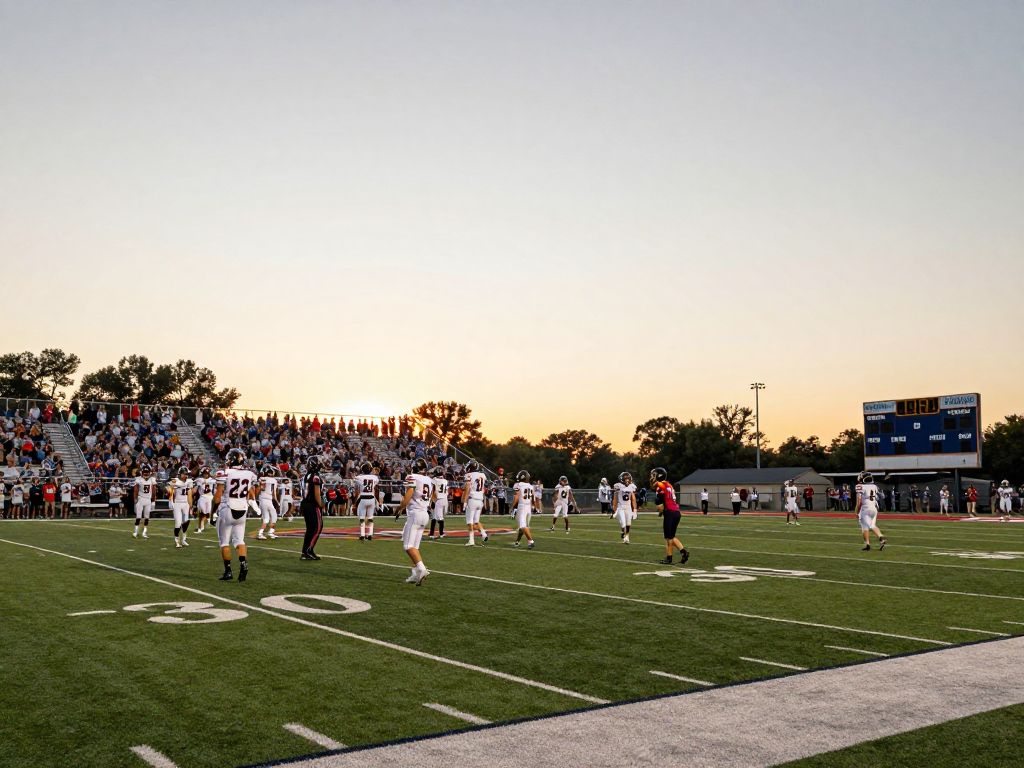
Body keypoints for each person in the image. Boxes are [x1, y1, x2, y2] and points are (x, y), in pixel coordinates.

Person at [214, 448, 257, 581]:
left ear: (229, 460)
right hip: (242, 510)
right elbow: (251, 491)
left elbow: (217, 497)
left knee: (224, 542)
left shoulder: (224, 473)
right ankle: (243, 564)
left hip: (227, 509)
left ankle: (228, 571)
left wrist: (212, 513)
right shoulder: (249, 474)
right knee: (239, 541)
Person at [395, 457, 431, 584]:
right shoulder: (428, 479)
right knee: (415, 546)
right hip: (424, 513)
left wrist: (400, 507)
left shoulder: (413, 477)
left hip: (415, 514)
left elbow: (409, 494)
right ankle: (415, 574)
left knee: (408, 546)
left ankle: (422, 569)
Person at [651, 467, 689, 565]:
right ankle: (683, 552)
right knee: (671, 536)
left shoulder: (661, 485)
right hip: (676, 512)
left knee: (668, 538)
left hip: (670, 513)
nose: (652, 477)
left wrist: (660, 511)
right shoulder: (669, 484)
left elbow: (660, 505)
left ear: (659, 476)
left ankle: (669, 558)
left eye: (654, 475)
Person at [854, 471, 887, 551]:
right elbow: (882, 496)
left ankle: (880, 538)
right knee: (869, 525)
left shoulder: (860, 486)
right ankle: (868, 545)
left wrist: (856, 511)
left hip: (865, 509)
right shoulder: (875, 486)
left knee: (868, 526)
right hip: (874, 508)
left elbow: (859, 501)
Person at [462, 459, 489, 547]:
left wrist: (465, 502)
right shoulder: (482, 475)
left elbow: (467, 488)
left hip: (472, 499)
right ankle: (484, 534)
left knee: (469, 521)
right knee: (476, 521)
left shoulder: (469, 475)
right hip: (480, 500)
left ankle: (471, 540)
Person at [167, 466, 193, 548]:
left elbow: (189, 493)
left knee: (186, 521)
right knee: (178, 523)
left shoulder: (189, 481)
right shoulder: (175, 481)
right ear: (180, 474)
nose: (186, 475)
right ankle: (177, 540)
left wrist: (191, 505)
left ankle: (184, 539)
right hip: (177, 503)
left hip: (186, 504)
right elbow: (169, 488)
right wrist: (170, 499)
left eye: (187, 474)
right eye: (184, 474)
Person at [510, 469, 537, 549]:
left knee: (522, 525)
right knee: (523, 527)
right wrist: (534, 507)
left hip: (522, 507)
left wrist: (512, 507)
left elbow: (517, 497)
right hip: (528, 507)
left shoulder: (518, 485)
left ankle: (531, 541)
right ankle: (517, 542)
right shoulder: (531, 486)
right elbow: (533, 499)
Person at [354, 461, 380, 541]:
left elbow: (356, 488)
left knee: (362, 518)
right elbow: (375, 487)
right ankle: (370, 534)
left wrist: (355, 502)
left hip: (363, 498)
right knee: (370, 517)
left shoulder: (358, 478)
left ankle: (362, 534)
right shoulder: (375, 478)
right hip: (371, 498)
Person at [133, 463, 156, 539]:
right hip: (141, 499)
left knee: (147, 517)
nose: (146, 474)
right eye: (144, 473)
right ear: (142, 473)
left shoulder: (152, 479)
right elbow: (135, 490)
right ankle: (135, 531)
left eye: (147, 473)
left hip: (148, 500)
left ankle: (144, 532)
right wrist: (135, 499)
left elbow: (154, 490)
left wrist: (153, 500)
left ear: (149, 473)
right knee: (138, 516)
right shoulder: (138, 479)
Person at [613, 472, 637, 543]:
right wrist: (614, 510)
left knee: (628, 523)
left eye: (628, 479)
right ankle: (624, 533)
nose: (627, 480)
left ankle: (626, 537)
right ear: (622, 479)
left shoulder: (632, 486)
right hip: (621, 507)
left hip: (628, 507)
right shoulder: (618, 486)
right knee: (623, 524)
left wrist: (635, 510)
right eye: (625, 479)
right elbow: (615, 499)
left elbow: (633, 499)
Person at [256, 465, 279, 540]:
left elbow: (259, 489)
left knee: (272, 516)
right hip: (267, 499)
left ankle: (271, 532)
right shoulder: (274, 480)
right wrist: (277, 502)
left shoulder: (261, 479)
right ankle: (260, 533)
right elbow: (274, 493)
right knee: (268, 518)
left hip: (262, 499)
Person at [428, 467, 448, 540]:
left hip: (438, 499)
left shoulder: (434, 480)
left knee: (435, 517)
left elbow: (433, 491)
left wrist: (432, 501)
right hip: (445, 499)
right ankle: (436, 532)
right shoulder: (445, 481)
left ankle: (438, 533)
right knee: (439, 516)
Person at [195, 467, 215, 533]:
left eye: (207, 473)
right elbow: (196, 484)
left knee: (208, 512)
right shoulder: (199, 479)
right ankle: (200, 527)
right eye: (204, 473)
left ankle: (205, 524)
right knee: (202, 512)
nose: (206, 475)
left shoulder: (212, 480)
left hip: (209, 497)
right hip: (202, 497)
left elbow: (216, 480)